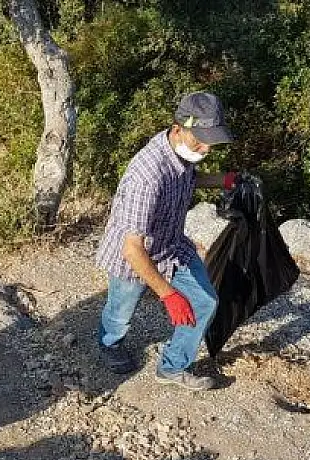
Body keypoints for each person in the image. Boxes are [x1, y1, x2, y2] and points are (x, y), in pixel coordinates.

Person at [94, 91, 236, 391]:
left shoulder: (182, 151)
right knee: (121, 312)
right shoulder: (146, 177)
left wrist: (223, 180)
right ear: (177, 128)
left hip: (171, 245)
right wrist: (169, 295)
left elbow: (190, 178)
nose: (206, 148)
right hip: (132, 255)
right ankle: (110, 343)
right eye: (200, 140)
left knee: (204, 301)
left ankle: (172, 368)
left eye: (210, 140)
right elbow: (132, 249)